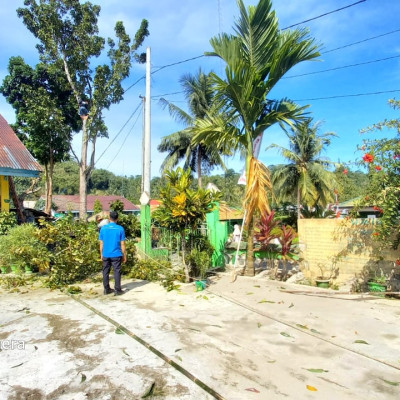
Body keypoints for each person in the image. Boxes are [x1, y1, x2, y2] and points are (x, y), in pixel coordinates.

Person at [99, 211, 127, 296]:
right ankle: (117, 290)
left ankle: (106, 289)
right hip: (116, 254)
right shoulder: (120, 229)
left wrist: (101, 254)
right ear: (117, 218)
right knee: (117, 271)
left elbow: (101, 243)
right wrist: (124, 255)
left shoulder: (103, 228)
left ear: (109, 217)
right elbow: (122, 244)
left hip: (106, 254)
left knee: (105, 271)